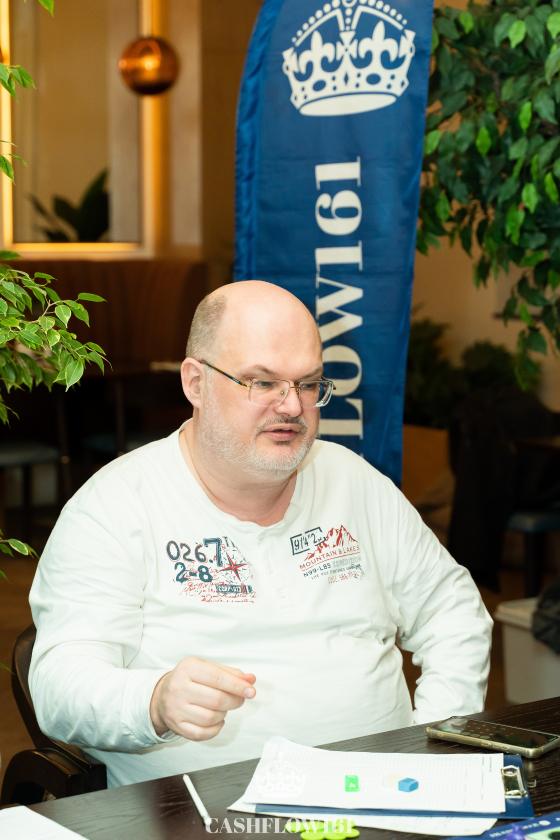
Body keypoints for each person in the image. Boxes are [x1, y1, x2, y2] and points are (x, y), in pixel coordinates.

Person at [29, 280, 492, 788]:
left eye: (308, 384)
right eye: (263, 382)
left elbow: (451, 610)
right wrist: (155, 701)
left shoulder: (352, 481)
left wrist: (433, 739)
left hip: (382, 797)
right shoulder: (116, 505)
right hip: (199, 811)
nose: (292, 407)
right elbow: (60, 687)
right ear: (195, 383)